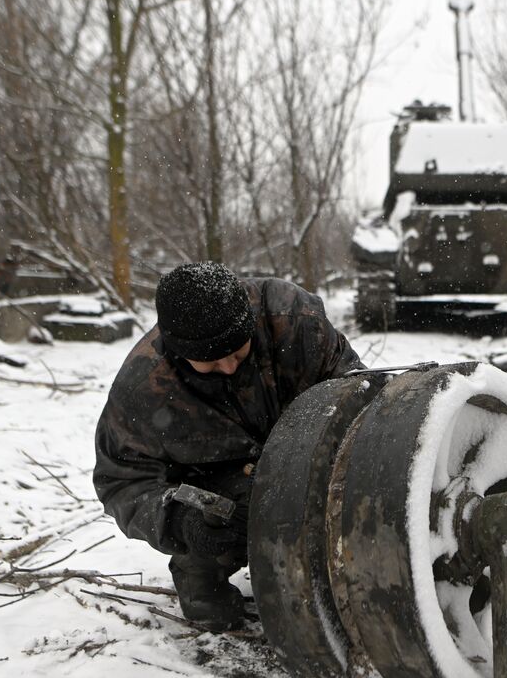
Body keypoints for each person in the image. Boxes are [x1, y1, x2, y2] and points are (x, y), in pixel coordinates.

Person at [92, 262, 362, 631]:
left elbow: (356, 396)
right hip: (224, 490)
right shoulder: (143, 387)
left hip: (312, 454)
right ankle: (201, 571)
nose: (230, 367)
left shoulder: (294, 320)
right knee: (209, 593)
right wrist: (181, 521)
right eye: (211, 362)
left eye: (237, 353)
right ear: (177, 351)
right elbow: (121, 481)